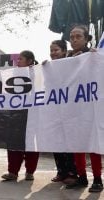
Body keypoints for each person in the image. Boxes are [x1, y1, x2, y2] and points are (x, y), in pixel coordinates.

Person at [65, 25, 103, 193]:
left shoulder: (94, 55)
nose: (74, 40)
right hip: (73, 109)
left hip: (91, 108)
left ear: (87, 39)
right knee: (77, 144)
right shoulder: (66, 58)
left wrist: (97, 58)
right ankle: (81, 177)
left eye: (78, 36)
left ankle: (97, 179)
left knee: (93, 144)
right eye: (72, 37)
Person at [2, 50, 39, 181]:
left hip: (32, 114)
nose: (17, 62)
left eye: (21, 59)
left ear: (29, 61)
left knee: (31, 144)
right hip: (15, 114)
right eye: (17, 59)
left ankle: (30, 172)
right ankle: (13, 172)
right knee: (14, 143)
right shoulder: (13, 74)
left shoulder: (38, 73)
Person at [48, 40, 78, 183]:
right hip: (54, 111)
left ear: (64, 51)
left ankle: (72, 173)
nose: (53, 53)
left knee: (69, 142)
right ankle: (61, 172)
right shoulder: (49, 67)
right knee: (56, 142)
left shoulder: (72, 64)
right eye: (51, 50)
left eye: (56, 50)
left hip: (70, 111)